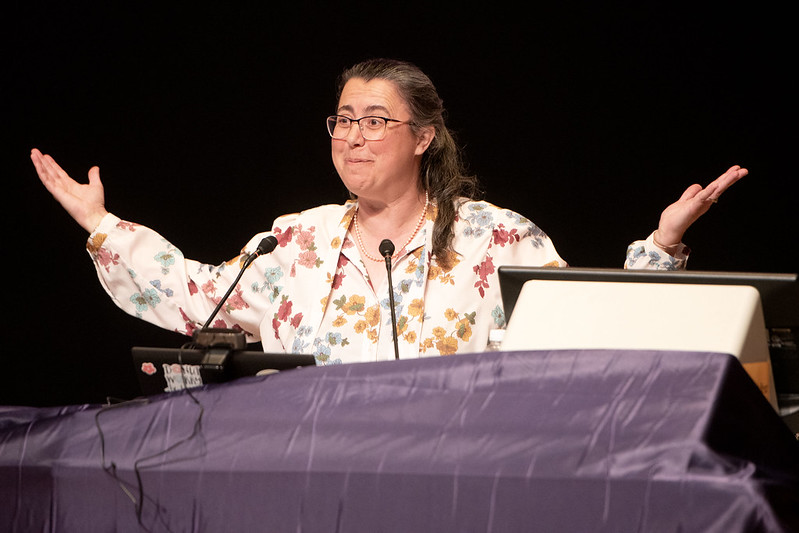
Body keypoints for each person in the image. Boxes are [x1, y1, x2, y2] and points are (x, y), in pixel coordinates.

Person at [31, 58, 747, 365]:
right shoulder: (293, 241)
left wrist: (659, 242)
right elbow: (194, 296)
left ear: (422, 137)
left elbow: (590, 327)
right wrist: (101, 223)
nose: (352, 136)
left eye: (375, 120)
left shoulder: (493, 235)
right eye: (342, 120)